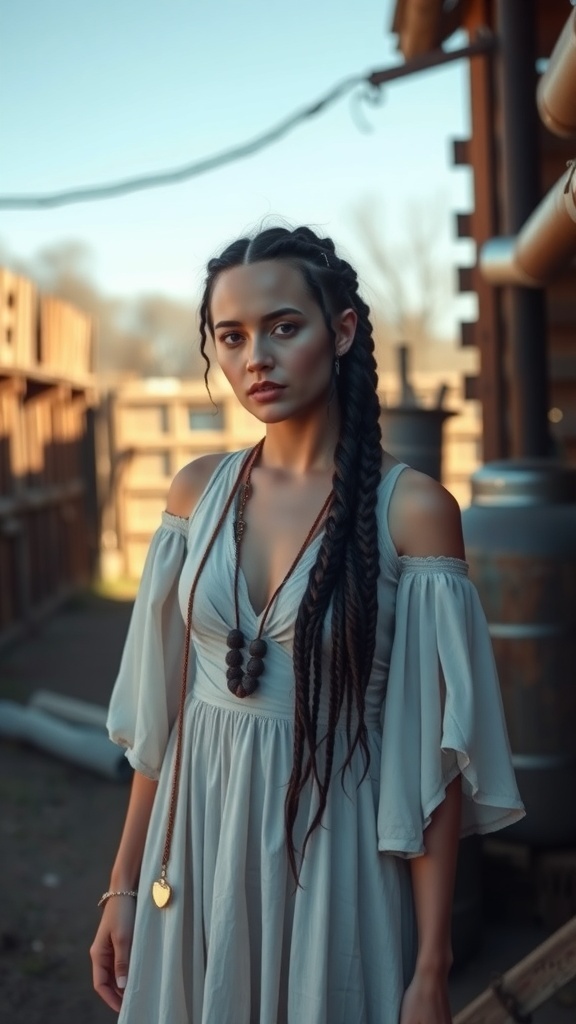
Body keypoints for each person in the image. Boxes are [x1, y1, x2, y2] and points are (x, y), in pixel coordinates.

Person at [90, 225, 525, 1024]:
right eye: (232, 336)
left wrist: (432, 970)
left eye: (284, 327)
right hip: (194, 845)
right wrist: (123, 884)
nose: (257, 356)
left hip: (332, 860)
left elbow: (432, 765)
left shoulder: (414, 513)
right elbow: (165, 721)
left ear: (344, 330)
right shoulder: (195, 496)